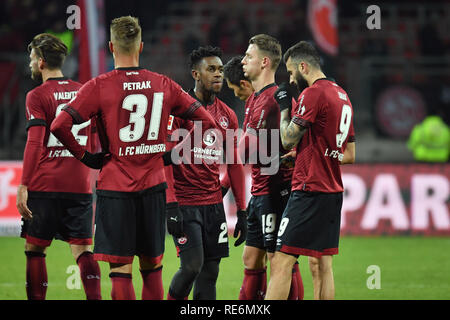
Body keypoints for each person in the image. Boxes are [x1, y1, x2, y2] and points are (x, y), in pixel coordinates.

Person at [50, 16, 216, 300]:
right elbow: (208, 122)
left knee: (121, 272)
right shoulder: (163, 83)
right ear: (140, 46)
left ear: (112, 47)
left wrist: (86, 157)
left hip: (115, 189)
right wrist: (176, 152)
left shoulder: (99, 85)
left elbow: (58, 126)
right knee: (152, 269)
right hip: (153, 189)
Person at [266, 41, 356, 300]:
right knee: (322, 265)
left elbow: (287, 139)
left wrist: (284, 109)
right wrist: (316, 154)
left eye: (292, 73)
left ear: (303, 66)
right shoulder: (343, 95)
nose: (292, 80)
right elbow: (349, 155)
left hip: (309, 190)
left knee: (281, 260)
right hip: (332, 191)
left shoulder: (313, 93)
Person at [16, 33, 101, 300]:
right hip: (79, 183)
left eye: (32, 58)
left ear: (41, 62)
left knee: (35, 250)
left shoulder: (37, 95)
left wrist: (23, 184)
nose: (30, 64)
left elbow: (35, 143)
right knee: (84, 251)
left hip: (45, 184)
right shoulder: (85, 90)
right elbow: (98, 137)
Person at [164, 46, 247, 300]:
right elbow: (164, 160)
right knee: (191, 267)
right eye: (211, 69)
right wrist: (170, 206)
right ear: (195, 74)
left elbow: (233, 163)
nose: (218, 75)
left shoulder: (228, 115)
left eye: (220, 70)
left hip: (213, 206)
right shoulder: (178, 109)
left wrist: (242, 210)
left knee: (210, 272)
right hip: (185, 204)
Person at [237, 34, 303, 300]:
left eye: (249, 56)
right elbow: (245, 150)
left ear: (264, 62)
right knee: (251, 258)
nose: (243, 61)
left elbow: (297, 142)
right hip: (259, 190)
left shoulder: (276, 99)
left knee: (281, 260)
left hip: (276, 191)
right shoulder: (254, 99)